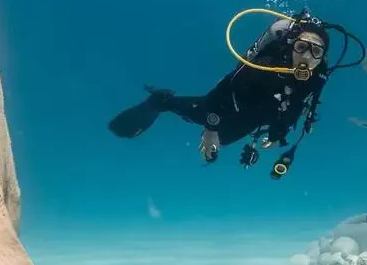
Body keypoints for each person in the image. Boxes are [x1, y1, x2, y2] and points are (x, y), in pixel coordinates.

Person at [109, 11, 343, 175]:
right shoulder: (266, 65)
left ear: (323, 57)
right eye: (301, 47)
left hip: (254, 120)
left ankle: (208, 130)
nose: (306, 57)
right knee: (197, 115)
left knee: (224, 142)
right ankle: (161, 101)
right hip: (226, 106)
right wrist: (210, 128)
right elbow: (220, 93)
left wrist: (277, 134)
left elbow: (301, 107)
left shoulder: (317, 77)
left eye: (316, 51)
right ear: (291, 45)